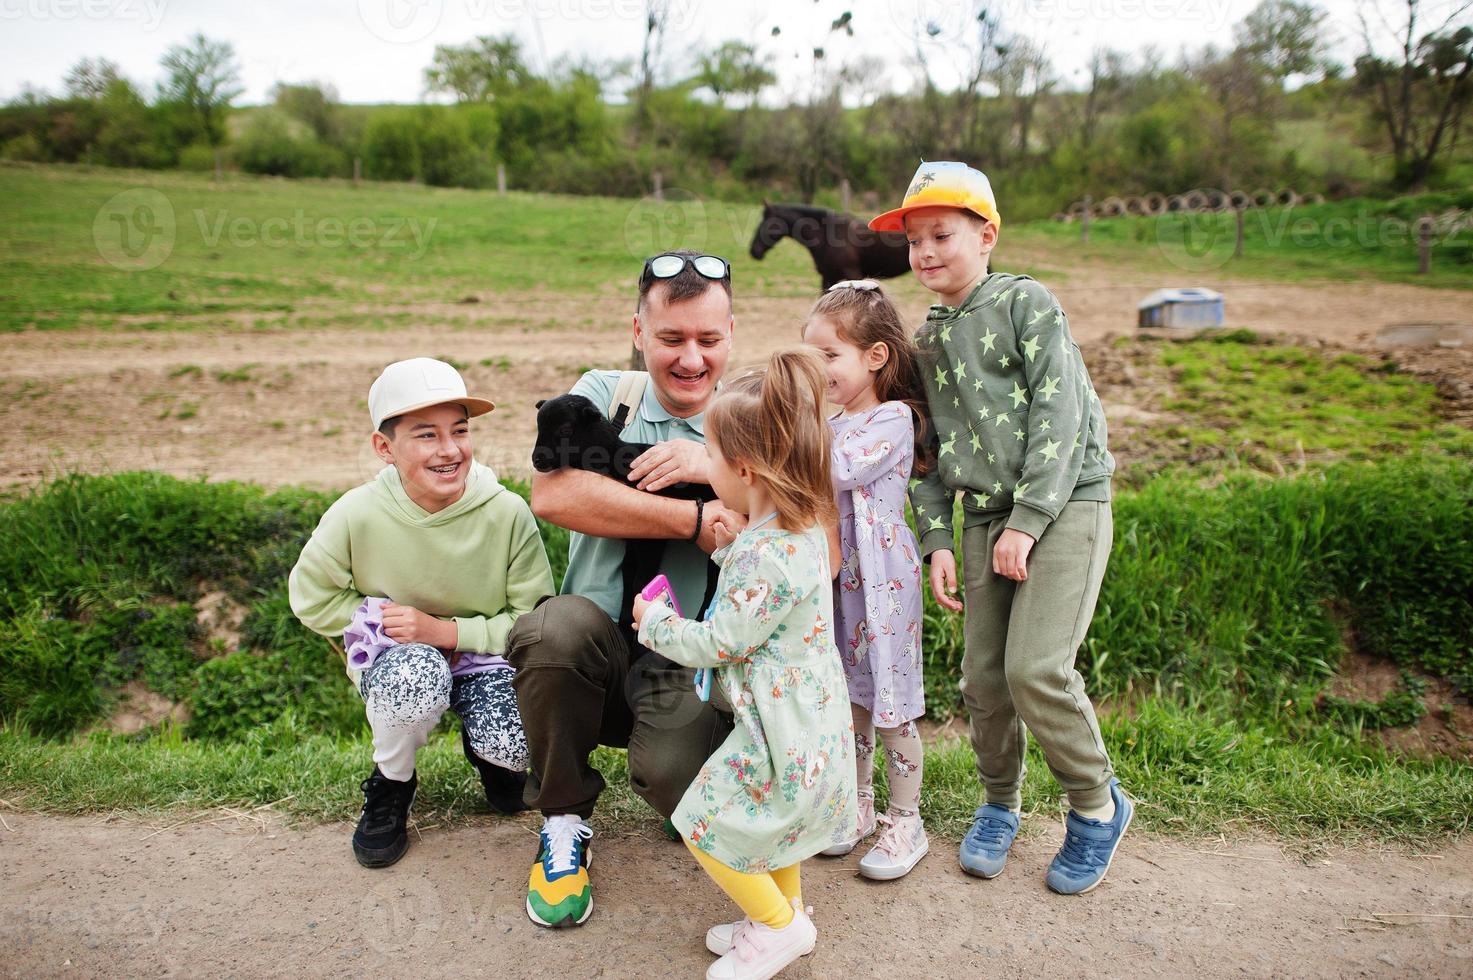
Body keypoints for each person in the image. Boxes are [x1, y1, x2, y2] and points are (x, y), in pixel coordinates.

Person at [869, 161, 1132, 895]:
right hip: (984, 520)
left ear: (985, 234)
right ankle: (998, 804)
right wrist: (937, 539)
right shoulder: (924, 339)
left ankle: (1095, 806)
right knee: (983, 681)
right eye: (914, 239)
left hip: (1063, 506)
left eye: (941, 235)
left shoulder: (1025, 304)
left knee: (1034, 670)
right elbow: (921, 452)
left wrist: (1031, 517)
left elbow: (1061, 414)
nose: (924, 252)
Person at [508, 251, 747, 928]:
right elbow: (554, 492)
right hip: (597, 649)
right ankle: (562, 820)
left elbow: (792, 523)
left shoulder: (749, 419)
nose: (691, 359)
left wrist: (711, 463)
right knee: (553, 628)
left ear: (732, 334)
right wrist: (694, 514)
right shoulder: (604, 395)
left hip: (688, 657)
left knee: (678, 786)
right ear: (638, 333)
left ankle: (694, 785)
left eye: (708, 339)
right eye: (671, 339)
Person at [633, 349, 858, 980]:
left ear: (746, 469)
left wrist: (658, 625)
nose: (703, 465)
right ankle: (785, 914)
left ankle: (780, 929)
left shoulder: (764, 554)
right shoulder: (799, 528)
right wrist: (736, 547)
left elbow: (721, 642)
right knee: (774, 824)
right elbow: (771, 596)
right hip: (806, 717)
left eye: (708, 454)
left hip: (778, 728)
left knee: (704, 821)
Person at [289, 356, 554, 868]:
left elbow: (533, 618)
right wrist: (379, 622)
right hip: (402, 657)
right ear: (384, 448)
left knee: (515, 743)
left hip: (486, 657)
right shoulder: (356, 513)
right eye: (426, 436)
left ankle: (492, 758)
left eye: (460, 430)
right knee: (415, 674)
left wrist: (446, 631)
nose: (450, 450)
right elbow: (311, 595)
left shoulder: (506, 512)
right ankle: (392, 785)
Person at [800, 280, 931, 880]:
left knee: (890, 701)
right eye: (812, 355)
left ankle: (907, 819)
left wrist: (785, 438)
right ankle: (855, 803)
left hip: (882, 588)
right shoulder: (827, 422)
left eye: (830, 355)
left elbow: (834, 472)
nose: (818, 368)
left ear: (874, 356)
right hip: (839, 587)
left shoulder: (892, 419)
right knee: (851, 699)